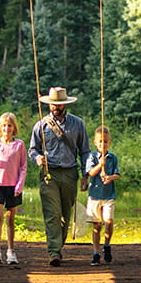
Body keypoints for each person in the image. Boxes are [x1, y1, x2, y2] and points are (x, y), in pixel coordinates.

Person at [29, 87, 90, 266]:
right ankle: (53, 252)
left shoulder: (78, 124)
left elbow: (85, 151)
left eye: (58, 103)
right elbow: (32, 150)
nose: (55, 107)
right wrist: (37, 158)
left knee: (65, 214)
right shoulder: (41, 124)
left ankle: (58, 245)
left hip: (70, 174)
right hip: (49, 174)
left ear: (65, 104)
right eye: (52, 104)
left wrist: (85, 175)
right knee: (52, 214)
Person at [0, 112, 27, 265]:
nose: (6, 129)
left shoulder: (19, 145)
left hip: (13, 186)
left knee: (10, 219)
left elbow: (23, 167)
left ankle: (11, 251)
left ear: (13, 127)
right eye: (3, 126)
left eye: (9, 125)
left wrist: (19, 185)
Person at [85, 125, 120, 266]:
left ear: (109, 142)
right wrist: (100, 165)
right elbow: (90, 173)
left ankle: (107, 245)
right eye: (100, 141)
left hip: (109, 195)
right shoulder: (92, 156)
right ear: (95, 142)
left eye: (105, 141)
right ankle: (96, 252)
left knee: (109, 221)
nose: (102, 144)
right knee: (96, 226)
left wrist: (110, 177)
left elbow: (117, 175)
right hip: (94, 195)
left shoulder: (113, 158)